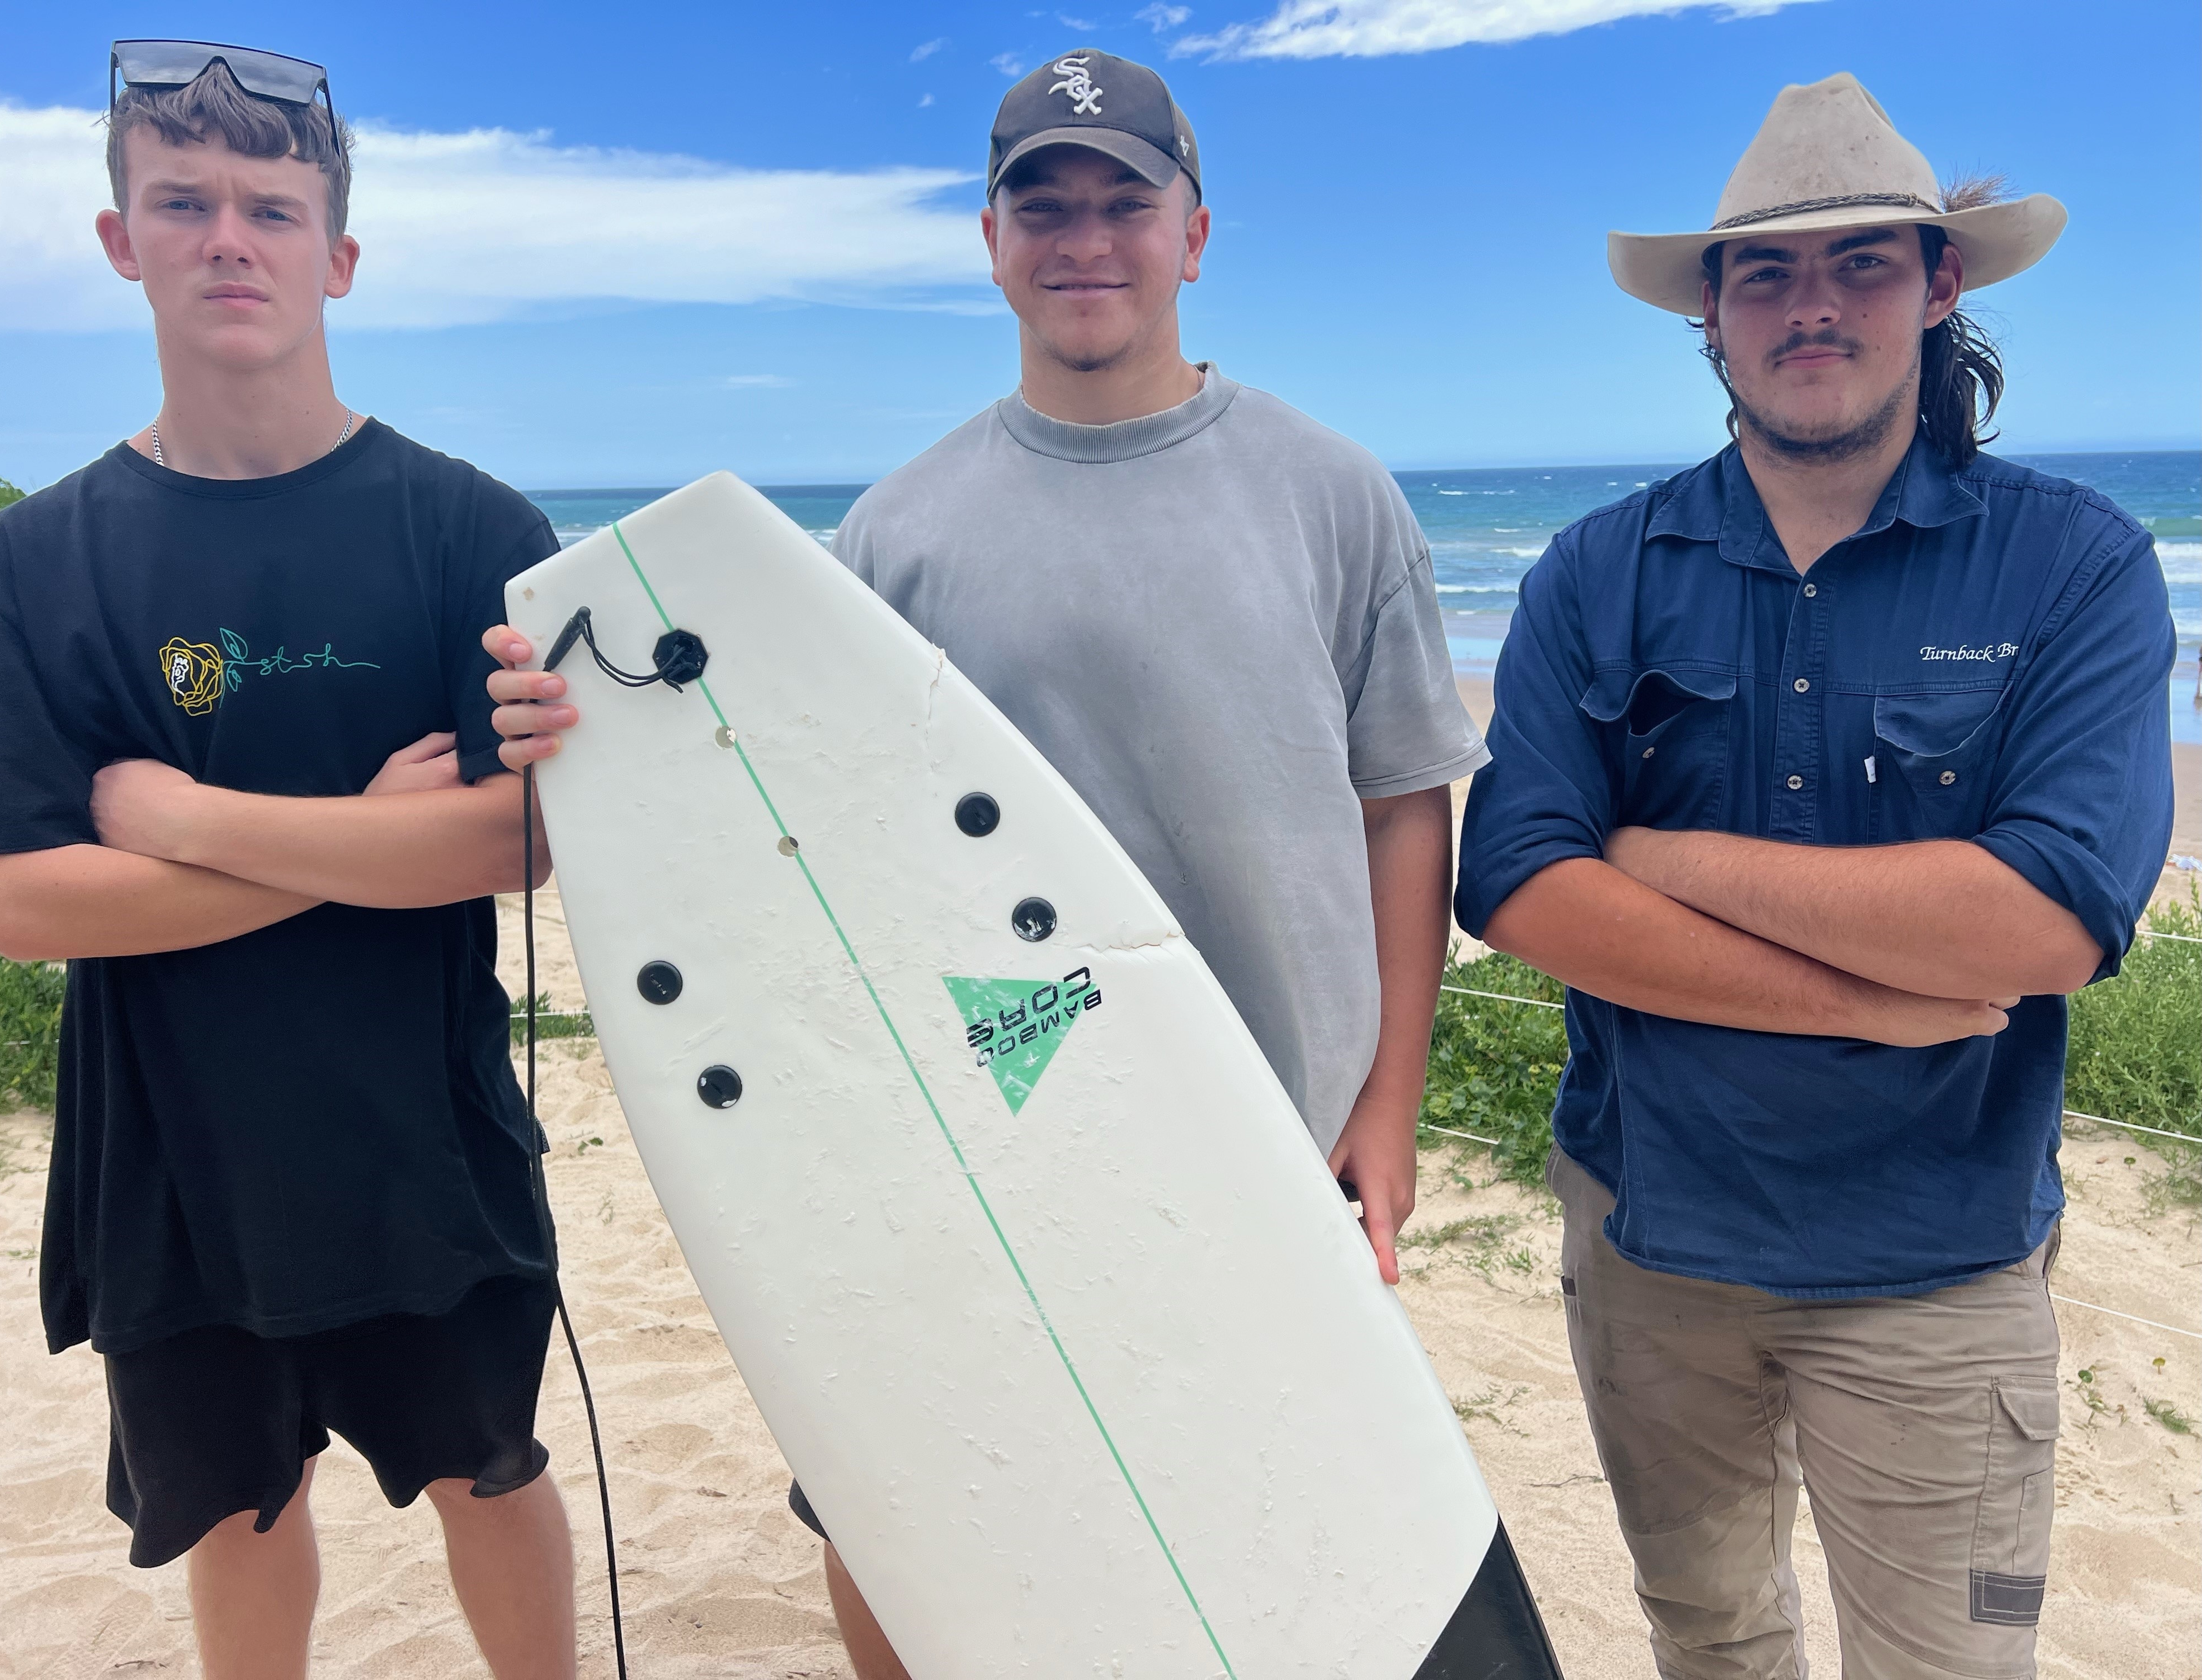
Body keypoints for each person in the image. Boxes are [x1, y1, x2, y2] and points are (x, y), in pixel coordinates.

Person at [480, 47, 1487, 1679]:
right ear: (992, 241)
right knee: (922, 1514)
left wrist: (1385, 1108)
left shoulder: (1333, 494)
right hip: (978, 1136)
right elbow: (781, 813)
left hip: (1271, 1132)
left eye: (1125, 203)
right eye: (1047, 208)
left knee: (1259, 1524)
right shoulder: (896, 530)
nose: (1086, 238)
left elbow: (1402, 806)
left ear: (1196, 233)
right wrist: (571, 726)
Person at [1455, 73, 2174, 1680]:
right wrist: (1879, 998)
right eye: (1767, 272)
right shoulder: (1600, 568)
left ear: (1941, 285)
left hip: (1943, 1259)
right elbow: (1514, 881)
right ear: (1709, 313)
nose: (1813, 306)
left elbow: (2050, 916)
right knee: (1711, 1639)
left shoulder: (2076, 564)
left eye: (1862, 262)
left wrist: (1669, 854)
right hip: (1651, 1242)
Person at [0, 44, 577, 1680]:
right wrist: (373, 840)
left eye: (270, 208)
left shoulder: (469, 529)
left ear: (338, 257)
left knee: (487, 1471)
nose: (229, 239)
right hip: (170, 1153)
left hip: (421, 1131)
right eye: (185, 203)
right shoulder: (33, 563)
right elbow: (25, 902)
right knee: (234, 1513)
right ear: (121, 240)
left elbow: (515, 843)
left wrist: (184, 822)